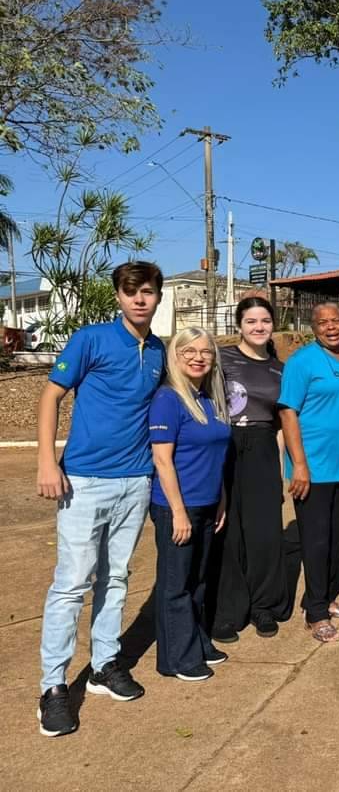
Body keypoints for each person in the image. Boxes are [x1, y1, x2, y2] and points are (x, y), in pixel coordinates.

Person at [35, 261, 165, 737]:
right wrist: (48, 463)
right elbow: (50, 397)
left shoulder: (157, 351)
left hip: (135, 480)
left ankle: (104, 665)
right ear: (118, 297)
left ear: (158, 297)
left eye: (147, 292)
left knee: (116, 576)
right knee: (71, 583)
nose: (139, 299)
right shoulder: (90, 338)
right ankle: (52, 688)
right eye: (130, 292)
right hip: (84, 480)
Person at [149, 329, 232, 681]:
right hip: (175, 508)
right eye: (189, 351)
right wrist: (179, 512)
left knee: (198, 580)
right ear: (175, 356)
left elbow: (218, 454)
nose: (198, 358)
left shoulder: (210, 399)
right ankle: (177, 659)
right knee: (176, 584)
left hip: (207, 502)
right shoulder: (169, 399)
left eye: (206, 352)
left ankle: (196, 641)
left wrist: (222, 499)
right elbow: (162, 460)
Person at [279, 303, 339, 642]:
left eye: (336, 321)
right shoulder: (302, 361)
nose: (331, 327)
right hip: (313, 465)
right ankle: (315, 613)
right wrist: (299, 464)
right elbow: (288, 412)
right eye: (323, 322)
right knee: (315, 540)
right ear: (312, 328)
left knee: (338, 535)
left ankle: (323, 596)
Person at [209, 297, 289, 643]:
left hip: (264, 448)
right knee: (227, 530)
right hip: (225, 444)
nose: (259, 327)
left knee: (265, 531)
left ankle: (263, 606)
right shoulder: (221, 360)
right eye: (252, 321)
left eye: (265, 321)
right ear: (239, 325)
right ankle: (227, 610)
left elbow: (282, 421)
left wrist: (282, 468)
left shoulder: (279, 368)